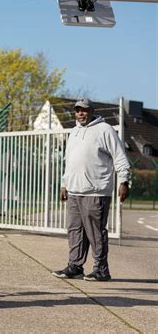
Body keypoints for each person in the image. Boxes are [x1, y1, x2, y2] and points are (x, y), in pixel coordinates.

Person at [52, 98, 130, 282]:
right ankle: (75, 266)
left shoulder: (105, 130)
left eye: (84, 110)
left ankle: (101, 270)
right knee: (75, 230)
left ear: (92, 110)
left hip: (96, 192)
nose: (80, 113)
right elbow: (69, 161)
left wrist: (124, 181)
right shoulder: (74, 132)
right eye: (77, 110)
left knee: (95, 232)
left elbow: (120, 157)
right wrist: (64, 184)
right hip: (74, 191)